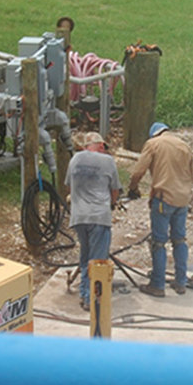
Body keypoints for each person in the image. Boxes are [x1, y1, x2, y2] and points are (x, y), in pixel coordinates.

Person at [127, 122, 193, 297]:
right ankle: (181, 282)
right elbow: (192, 175)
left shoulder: (153, 144)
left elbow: (138, 171)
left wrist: (133, 188)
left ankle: (157, 284)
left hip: (163, 199)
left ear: (153, 134)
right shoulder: (184, 145)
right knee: (179, 240)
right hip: (182, 200)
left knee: (159, 242)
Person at [67, 132, 121, 311]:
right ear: (100, 145)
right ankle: (92, 299)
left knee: (85, 256)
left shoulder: (74, 160)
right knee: (97, 260)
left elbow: (68, 185)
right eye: (103, 146)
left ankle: (84, 293)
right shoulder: (107, 161)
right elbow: (115, 190)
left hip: (79, 217)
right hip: (99, 217)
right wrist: (112, 204)